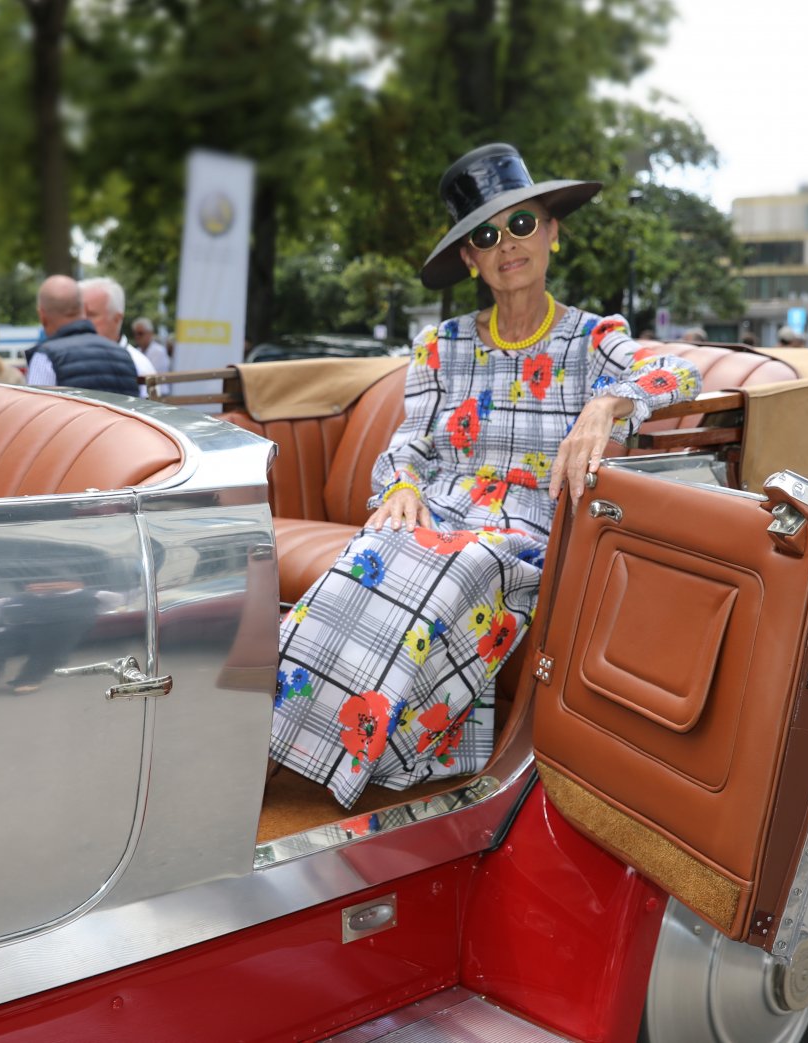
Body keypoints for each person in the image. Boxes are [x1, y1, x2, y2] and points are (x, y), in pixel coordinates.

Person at [271, 143, 702, 809]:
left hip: (523, 536)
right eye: (486, 236)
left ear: (552, 233)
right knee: (369, 551)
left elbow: (677, 372)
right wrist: (403, 487)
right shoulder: (440, 346)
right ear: (471, 259)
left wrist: (606, 404)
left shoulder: (593, 339)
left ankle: (332, 756)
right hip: (441, 515)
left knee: (461, 562)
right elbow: (410, 444)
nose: (508, 245)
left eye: (522, 224)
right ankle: (270, 739)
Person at [24, 275, 140, 396]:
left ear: (42, 316)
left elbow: (35, 407)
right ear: (83, 308)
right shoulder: (123, 355)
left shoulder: (46, 358)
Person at [81, 276, 157, 396]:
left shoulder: (139, 366)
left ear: (116, 319)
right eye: (78, 314)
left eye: (91, 315)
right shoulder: (61, 358)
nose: (81, 321)